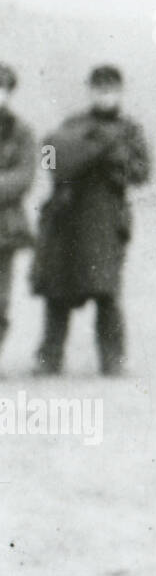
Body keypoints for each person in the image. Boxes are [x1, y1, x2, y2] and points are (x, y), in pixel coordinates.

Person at [30, 65, 150, 376]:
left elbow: (142, 172)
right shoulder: (72, 124)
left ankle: (112, 363)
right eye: (99, 88)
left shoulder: (130, 130)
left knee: (106, 291)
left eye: (110, 89)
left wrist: (114, 159)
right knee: (58, 289)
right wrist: (58, 169)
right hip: (68, 217)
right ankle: (48, 360)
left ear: (120, 92)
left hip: (107, 220)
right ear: (90, 90)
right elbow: (47, 154)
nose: (104, 95)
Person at [0, 63, 37, 366]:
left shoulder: (21, 131)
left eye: (2, 89)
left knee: (0, 299)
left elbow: (25, 176)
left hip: (4, 227)